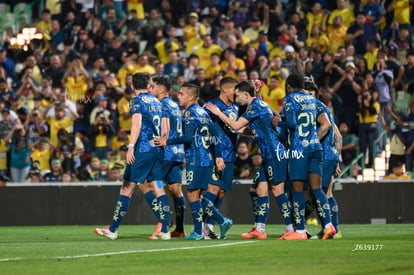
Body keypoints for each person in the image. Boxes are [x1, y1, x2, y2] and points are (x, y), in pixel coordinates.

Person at [206, 80, 291, 240]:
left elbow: (237, 126)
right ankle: (260, 229)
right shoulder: (259, 104)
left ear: (246, 94)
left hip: (273, 153)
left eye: (238, 95)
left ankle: (292, 228)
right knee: (259, 190)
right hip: (267, 154)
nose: (237, 98)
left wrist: (219, 113)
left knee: (278, 190)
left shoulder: (253, 107)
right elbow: (262, 122)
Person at [94, 73, 171, 241]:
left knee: (127, 187)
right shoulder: (158, 103)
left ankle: (113, 229)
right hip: (158, 150)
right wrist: (163, 141)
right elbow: (166, 129)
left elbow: (136, 124)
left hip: (142, 150)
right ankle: (165, 230)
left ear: (131, 86)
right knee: (158, 187)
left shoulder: (136, 101)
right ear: (149, 85)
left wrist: (130, 147)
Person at [154, 83, 233, 240]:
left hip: (196, 159)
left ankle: (200, 231)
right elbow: (217, 133)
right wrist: (217, 155)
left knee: (192, 195)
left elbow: (188, 137)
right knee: (196, 196)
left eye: (182, 94)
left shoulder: (190, 113)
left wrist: (167, 141)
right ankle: (221, 221)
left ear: (191, 97)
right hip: (206, 160)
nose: (179, 96)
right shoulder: (203, 112)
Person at [278, 73, 336, 240]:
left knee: (297, 189)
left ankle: (301, 231)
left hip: (298, 149)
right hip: (316, 148)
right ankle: (328, 226)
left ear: (289, 86)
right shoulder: (313, 100)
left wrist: (277, 122)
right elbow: (325, 122)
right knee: (317, 189)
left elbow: (290, 123)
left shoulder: (289, 99)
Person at [147, 76, 187, 238]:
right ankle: (179, 229)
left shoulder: (162, 104)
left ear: (161, 89)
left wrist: (161, 141)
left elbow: (166, 127)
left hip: (166, 151)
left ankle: (163, 222)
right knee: (175, 190)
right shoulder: (174, 105)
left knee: (146, 184)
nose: (150, 89)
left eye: (153, 87)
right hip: (177, 152)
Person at [204, 76, 239, 239]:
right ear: (225, 89)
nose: (237, 92)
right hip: (216, 154)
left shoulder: (235, 107)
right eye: (234, 89)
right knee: (213, 189)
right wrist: (216, 154)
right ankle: (205, 226)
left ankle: (210, 224)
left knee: (222, 192)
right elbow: (208, 130)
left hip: (231, 153)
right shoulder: (211, 106)